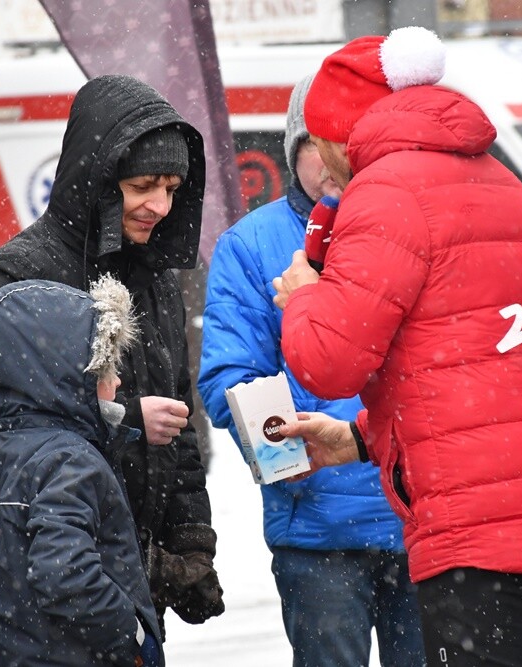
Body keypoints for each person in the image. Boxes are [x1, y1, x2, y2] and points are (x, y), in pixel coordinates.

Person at [272, 26, 522, 666]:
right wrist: (360, 440)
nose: (324, 165)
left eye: (321, 144)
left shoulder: (386, 193)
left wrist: (304, 296)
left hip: (479, 531)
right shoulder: (503, 186)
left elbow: (329, 362)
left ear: (342, 135)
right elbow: (482, 368)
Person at [0, 74, 223, 634]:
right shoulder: (17, 276)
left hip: (138, 574)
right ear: (99, 179)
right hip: (39, 574)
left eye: (171, 187)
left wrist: (191, 543)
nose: (160, 205)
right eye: (144, 185)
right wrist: (122, 420)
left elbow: (180, 424)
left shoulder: (157, 281)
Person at [198, 75, 425, 667]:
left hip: (421, 517)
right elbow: (231, 376)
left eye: (347, 142)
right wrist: (284, 460)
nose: (330, 160)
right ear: (291, 147)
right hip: (318, 532)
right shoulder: (251, 245)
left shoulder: (421, 228)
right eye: (314, 143)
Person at [0, 276, 162, 666]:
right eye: (106, 370)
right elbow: (64, 574)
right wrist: (131, 638)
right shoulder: (70, 460)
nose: (117, 381)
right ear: (70, 377)